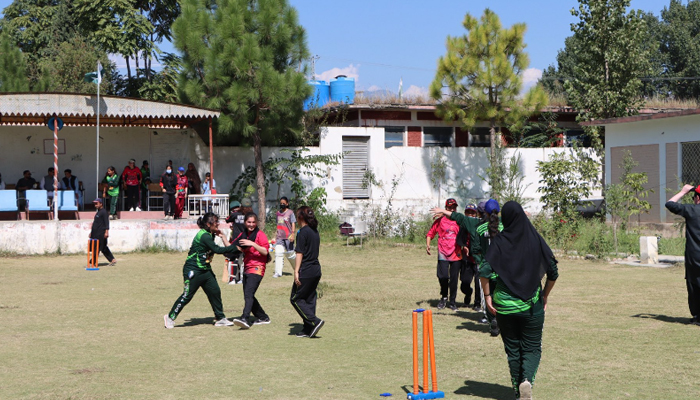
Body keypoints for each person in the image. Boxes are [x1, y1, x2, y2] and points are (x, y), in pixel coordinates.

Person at [480, 201, 558, 400]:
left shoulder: (499, 241)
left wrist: (488, 296)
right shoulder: (535, 240)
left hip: (504, 308)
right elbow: (553, 272)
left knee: (513, 350)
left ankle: (518, 391)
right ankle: (526, 381)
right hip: (531, 306)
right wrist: (545, 295)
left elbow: (484, 272)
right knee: (531, 348)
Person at [164, 212, 237, 329]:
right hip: (193, 270)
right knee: (187, 295)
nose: (218, 223)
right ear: (208, 224)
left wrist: (222, 236)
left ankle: (220, 318)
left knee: (215, 291)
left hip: (205, 270)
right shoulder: (204, 236)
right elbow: (217, 249)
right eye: (215, 222)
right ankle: (170, 317)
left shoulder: (210, 234)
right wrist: (236, 247)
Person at [666, 184, 700, 326]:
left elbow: (670, 204)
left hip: (694, 257)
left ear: (697, 198)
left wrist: (683, 191)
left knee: (694, 286)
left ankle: (698, 316)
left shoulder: (691, 210)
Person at [232, 212, 271, 329]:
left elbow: (265, 251)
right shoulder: (244, 234)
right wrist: (223, 237)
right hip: (247, 267)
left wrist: (252, 244)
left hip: (258, 267)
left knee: (249, 293)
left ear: (257, 223)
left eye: (253, 222)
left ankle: (245, 318)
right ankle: (263, 317)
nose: (251, 224)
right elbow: (233, 246)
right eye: (249, 222)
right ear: (245, 223)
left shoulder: (260, 235)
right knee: (249, 295)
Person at [291, 206, 325, 338]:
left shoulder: (302, 232)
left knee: (296, 298)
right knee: (309, 298)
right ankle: (308, 329)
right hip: (316, 270)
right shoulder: (314, 231)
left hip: (306, 270)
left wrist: (296, 271)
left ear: (300, 217)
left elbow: (299, 253)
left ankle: (314, 321)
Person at [426, 198, 463, 311]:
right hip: (443, 253)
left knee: (453, 279)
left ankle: (452, 301)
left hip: (456, 254)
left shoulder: (459, 220)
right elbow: (431, 233)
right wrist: (428, 244)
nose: (452, 209)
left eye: (454, 207)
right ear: (446, 208)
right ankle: (444, 296)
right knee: (442, 276)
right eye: (450, 207)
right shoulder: (440, 221)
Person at [476, 199, 505, 336]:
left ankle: (493, 321)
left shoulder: (480, 229)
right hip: (502, 270)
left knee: (488, 296)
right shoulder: (504, 228)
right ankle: (501, 321)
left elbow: (476, 249)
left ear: (485, 213)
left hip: (486, 270)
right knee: (502, 295)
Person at [458, 203, 482, 311]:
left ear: (476, 214)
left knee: (478, 283)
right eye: (468, 212)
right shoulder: (464, 225)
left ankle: (477, 303)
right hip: (467, 259)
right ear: (465, 213)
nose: (470, 214)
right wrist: (464, 246)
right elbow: (459, 240)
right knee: (465, 282)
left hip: (478, 260)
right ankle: (468, 294)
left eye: (473, 212)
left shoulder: (480, 225)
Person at [273, 196, 297, 278]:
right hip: (280, 237)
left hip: (288, 237)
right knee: (278, 253)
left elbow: (293, 223)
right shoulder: (278, 213)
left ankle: (297, 269)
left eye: (284, 203)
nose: (282, 205)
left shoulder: (290, 212)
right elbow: (277, 224)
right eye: (281, 203)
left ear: (287, 203)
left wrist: (293, 234)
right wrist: (275, 235)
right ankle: (278, 272)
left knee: (291, 254)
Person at [89, 198, 116, 266]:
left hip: (101, 233)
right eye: (95, 204)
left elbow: (106, 223)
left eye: (97, 203)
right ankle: (112, 259)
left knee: (98, 248)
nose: (95, 205)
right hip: (96, 233)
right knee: (102, 247)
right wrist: (91, 233)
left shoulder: (104, 212)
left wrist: (106, 232)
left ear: (101, 203)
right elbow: (96, 223)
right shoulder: (98, 212)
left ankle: (93, 261)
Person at [224, 201, 246, 285]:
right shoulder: (245, 214)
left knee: (232, 259)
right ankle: (242, 279)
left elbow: (227, 220)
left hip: (236, 240)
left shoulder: (234, 214)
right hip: (245, 239)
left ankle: (232, 279)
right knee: (242, 260)